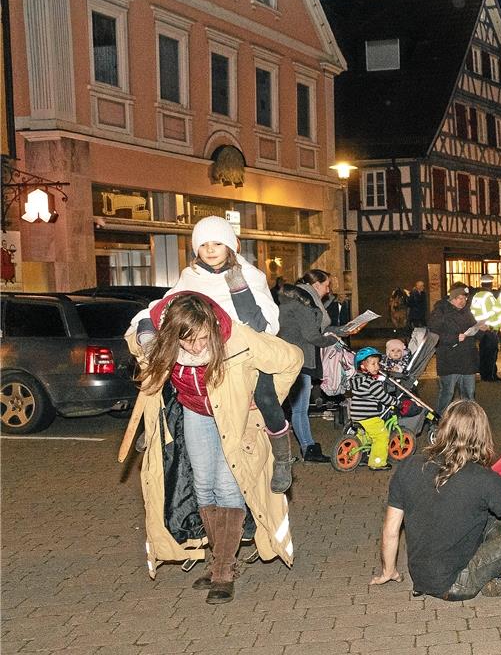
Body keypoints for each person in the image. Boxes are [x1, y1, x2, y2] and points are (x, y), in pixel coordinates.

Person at [127, 292, 301, 603]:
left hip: (232, 417)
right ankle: (217, 559)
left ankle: (224, 570)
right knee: (203, 486)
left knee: (227, 486)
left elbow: (291, 358)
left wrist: (264, 399)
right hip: (195, 412)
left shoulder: (236, 338)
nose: (197, 347)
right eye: (188, 341)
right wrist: (142, 332)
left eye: (204, 338)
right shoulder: (163, 340)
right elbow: (137, 335)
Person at [129, 216, 295, 493]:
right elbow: (166, 305)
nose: (210, 249)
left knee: (265, 396)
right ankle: (154, 426)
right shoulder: (190, 276)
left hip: (244, 349)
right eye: (203, 244)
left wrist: (239, 288)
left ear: (230, 245)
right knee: (168, 377)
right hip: (203, 350)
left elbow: (265, 324)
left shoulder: (249, 274)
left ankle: (283, 455)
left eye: (217, 242)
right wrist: (146, 328)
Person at [369, 401, 501, 599]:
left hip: (421, 578)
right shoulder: (484, 478)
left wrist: (389, 571)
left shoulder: (408, 466)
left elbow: (391, 529)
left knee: (492, 512)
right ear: (482, 436)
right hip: (457, 583)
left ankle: (494, 577)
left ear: (443, 429)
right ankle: (499, 577)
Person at [278, 275, 354, 464]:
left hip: (287, 359)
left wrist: (340, 331)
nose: (328, 291)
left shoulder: (286, 306)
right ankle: (308, 449)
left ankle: (293, 450)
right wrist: (334, 339)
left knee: (288, 409)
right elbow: (313, 335)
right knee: (300, 409)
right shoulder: (302, 307)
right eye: (326, 285)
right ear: (314, 286)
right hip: (300, 361)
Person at [428, 282, 481, 414]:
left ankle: (469, 422)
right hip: (449, 359)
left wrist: (482, 329)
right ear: (452, 298)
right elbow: (434, 334)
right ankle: (439, 420)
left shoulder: (466, 311)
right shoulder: (440, 310)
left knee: (469, 394)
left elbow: (473, 329)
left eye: (465, 298)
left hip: (467, 359)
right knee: (447, 393)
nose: (463, 302)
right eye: (459, 298)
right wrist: (454, 338)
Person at [347, 347, 402, 471]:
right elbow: (383, 397)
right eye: (373, 364)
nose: (377, 367)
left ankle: (359, 456)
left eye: (377, 363)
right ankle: (377, 462)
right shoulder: (373, 383)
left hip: (355, 415)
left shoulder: (356, 380)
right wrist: (395, 402)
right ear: (362, 366)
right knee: (381, 435)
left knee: (363, 436)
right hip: (368, 416)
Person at [471, 275, 501, 382]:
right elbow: (499, 311)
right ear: (490, 284)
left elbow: (472, 311)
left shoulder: (476, 296)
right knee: (491, 354)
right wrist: (498, 323)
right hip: (490, 329)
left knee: (483, 353)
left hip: (480, 329)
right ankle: (491, 376)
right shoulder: (489, 296)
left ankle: (484, 374)